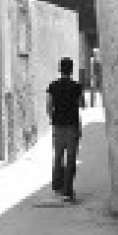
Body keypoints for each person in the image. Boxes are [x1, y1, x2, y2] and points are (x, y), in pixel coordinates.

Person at [46, 56, 86, 200]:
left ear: (60, 69)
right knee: (71, 158)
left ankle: (57, 187)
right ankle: (67, 189)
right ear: (71, 70)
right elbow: (82, 104)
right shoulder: (77, 87)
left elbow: (48, 106)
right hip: (72, 126)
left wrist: (53, 118)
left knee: (57, 156)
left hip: (58, 126)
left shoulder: (53, 86)